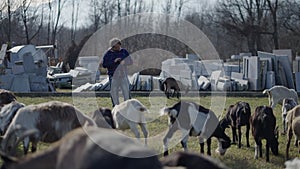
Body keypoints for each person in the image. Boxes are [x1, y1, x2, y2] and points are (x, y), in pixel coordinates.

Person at [102, 38, 133, 107]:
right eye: (116, 47)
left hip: (123, 75)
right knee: (114, 93)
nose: (118, 48)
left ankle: (128, 107)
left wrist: (124, 62)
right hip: (113, 76)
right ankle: (116, 107)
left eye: (119, 46)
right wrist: (114, 62)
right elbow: (104, 65)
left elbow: (130, 61)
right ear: (112, 47)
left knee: (126, 92)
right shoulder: (108, 54)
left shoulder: (124, 51)